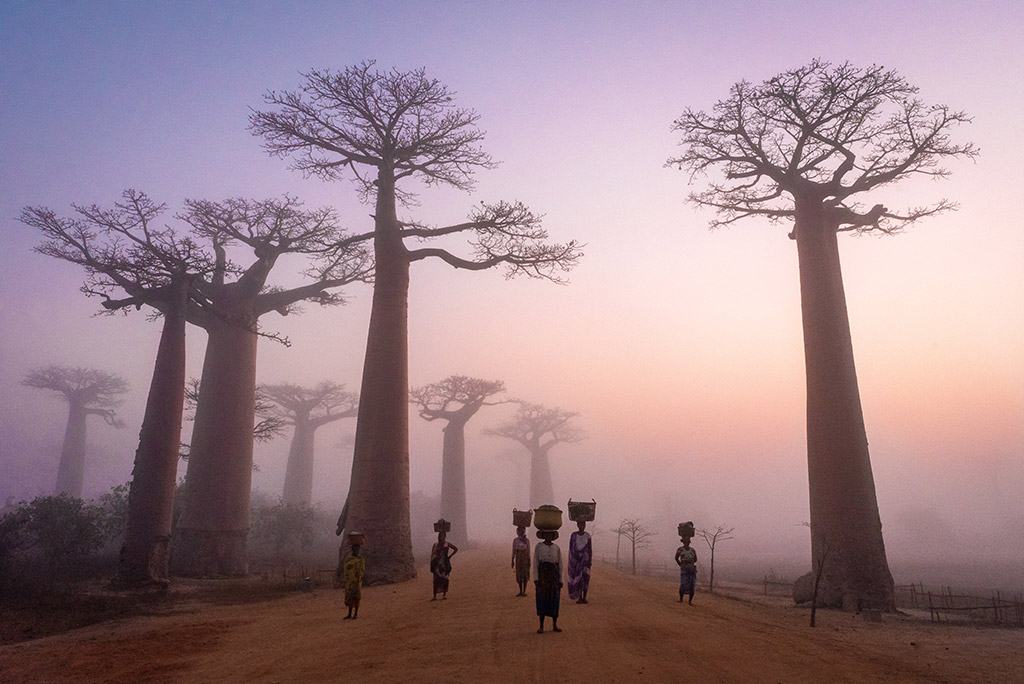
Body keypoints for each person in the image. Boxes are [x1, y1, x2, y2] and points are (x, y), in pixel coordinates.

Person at [533, 530, 563, 633]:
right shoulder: (539, 547)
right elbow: (535, 563)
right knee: (542, 600)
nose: (548, 536)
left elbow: (560, 565)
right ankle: (541, 626)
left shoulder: (556, 548)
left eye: (550, 534)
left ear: (553, 535)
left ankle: (555, 625)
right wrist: (536, 578)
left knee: (554, 600)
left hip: (554, 577)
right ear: (543, 535)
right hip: (543, 577)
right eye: (546, 534)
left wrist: (560, 579)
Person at [567, 520, 593, 604]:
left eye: (583, 524)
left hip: (585, 561)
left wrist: (589, 560)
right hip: (576, 560)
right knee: (578, 578)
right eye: (580, 524)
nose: (582, 526)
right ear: (577, 525)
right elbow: (571, 548)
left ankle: (584, 597)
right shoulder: (574, 535)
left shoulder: (587, 536)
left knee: (585, 578)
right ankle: (579, 596)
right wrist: (574, 559)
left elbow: (589, 549)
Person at [430, 530, 458, 600]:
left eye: (442, 536)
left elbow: (455, 549)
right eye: (439, 536)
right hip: (437, 563)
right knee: (436, 579)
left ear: (445, 537)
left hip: (444, 563)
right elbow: (432, 554)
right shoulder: (435, 545)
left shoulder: (446, 544)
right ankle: (434, 596)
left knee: (445, 578)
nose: (440, 537)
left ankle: (444, 595)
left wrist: (450, 556)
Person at [342, 542, 365, 619]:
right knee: (349, 597)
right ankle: (349, 614)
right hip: (349, 582)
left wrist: (359, 577)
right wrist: (347, 578)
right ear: (352, 549)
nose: (357, 551)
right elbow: (345, 569)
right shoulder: (348, 559)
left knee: (357, 597)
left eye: (358, 549)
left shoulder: (360, 559)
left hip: (357, 581)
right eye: (355, 549)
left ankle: (356, 614)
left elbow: (362, 569)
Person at [674, 535, 698, 605]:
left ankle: (690, 601)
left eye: (687, 542)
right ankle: (681, 599)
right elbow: (676, 558)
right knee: (683, 584)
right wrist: (681, 565)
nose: (686, 543)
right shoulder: (680, 549)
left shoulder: (693, 550)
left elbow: (696, 559)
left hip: (691, 568)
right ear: (683, 542)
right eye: (685, 542)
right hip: (684, 568)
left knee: (692, 585)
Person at [511, 525, 531, 597]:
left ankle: (524, 591)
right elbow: (513, 551)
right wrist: (512, 559)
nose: (520, 532)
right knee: (519, 575)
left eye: (522, 530)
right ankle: (520, 591)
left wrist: (529, 560)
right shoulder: (515, 540)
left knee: (525, 575)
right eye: (519, 531)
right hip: (518, 559)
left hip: (525, 559)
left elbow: (528, 551)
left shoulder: (526, 541)